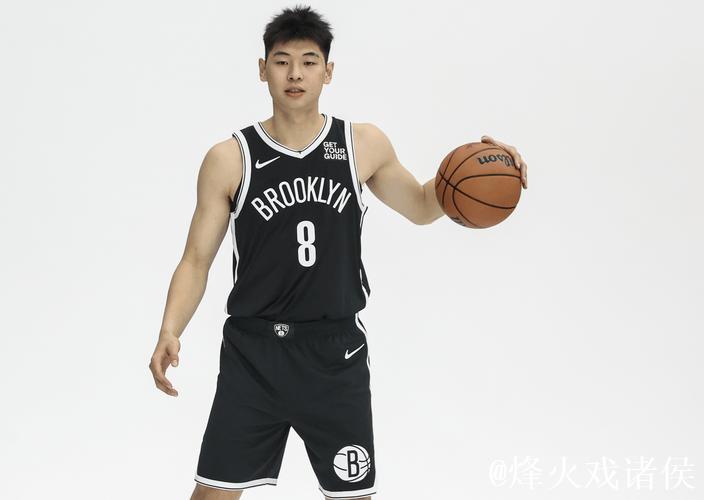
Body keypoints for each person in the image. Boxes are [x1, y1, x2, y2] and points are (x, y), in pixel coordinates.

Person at [148, 5, 528, 500]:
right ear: (262, 69)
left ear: (328, 72)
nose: (295, 74)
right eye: (282, 61)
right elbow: (196, 259)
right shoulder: (230, 158)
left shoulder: (360, 144)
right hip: (254, 354)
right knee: (212, 495)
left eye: (309, 62)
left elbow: (421, 205)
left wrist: (494, 168)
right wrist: (170, 328)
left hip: (335, 353)